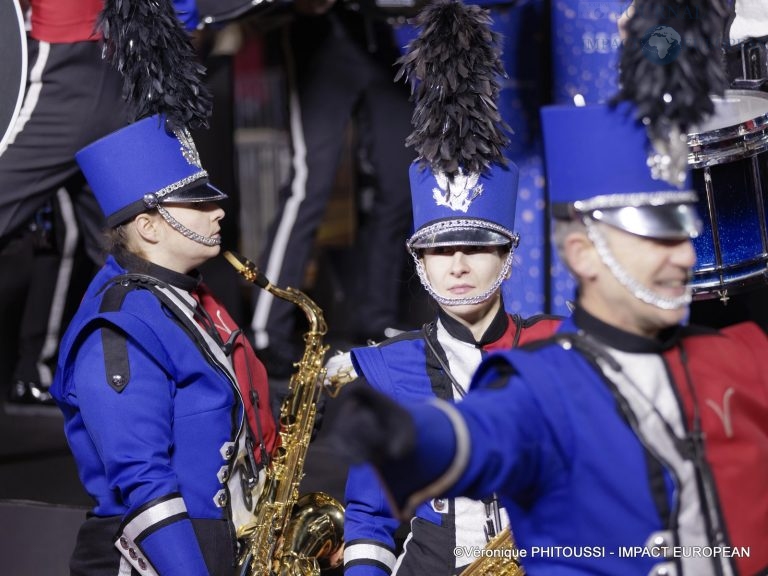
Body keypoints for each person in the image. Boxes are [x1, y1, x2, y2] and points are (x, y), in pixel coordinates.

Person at [329, 100, 768, 575]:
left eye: (685, 231)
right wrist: (421, 439)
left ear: (507, 256)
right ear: (582, 254)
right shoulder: (542, 376)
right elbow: (489, 431)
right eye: (653, 236)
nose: (684, 256)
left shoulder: (740, 353)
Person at [337, 2, 560, 574]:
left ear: (509, 257)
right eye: (439, 250)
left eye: (477, 248)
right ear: (419, 264)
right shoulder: (387, 370)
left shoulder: (557, 350)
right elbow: (368, 519)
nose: (458, 265)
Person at [49, 114, 279, 576]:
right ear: (150, 227)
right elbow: (143, 481)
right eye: (198, 204)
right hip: (164, 557)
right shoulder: (119, 325)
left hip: (218, 538)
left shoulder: (184, 297)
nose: (218, 212)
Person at [0, 0, 206, 407]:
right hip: (88, 54)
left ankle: (147, 389)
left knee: (150, 240)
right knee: (146, 238)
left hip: (119, 55)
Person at [249, 0, 416, 377]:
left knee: (401, 185)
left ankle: (376, 318)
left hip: (381, 37)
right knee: (308, 186)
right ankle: (264, 331)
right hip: (321, 36)